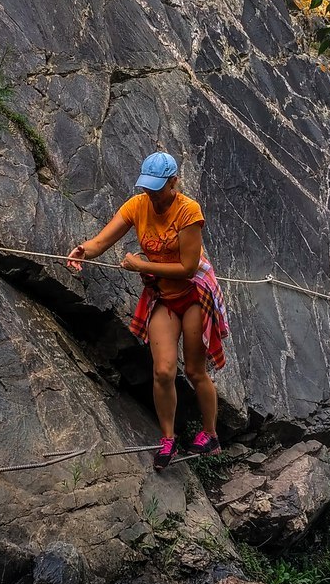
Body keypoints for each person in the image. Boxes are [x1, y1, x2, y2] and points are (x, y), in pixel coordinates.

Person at [66, 151, 230, 471]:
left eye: (158, 188)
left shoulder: (188, 212)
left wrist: (141, 264)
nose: (152, 194)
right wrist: (86, 250)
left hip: (194, 294)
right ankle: (167, 439)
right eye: (148, 188)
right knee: (163, 371)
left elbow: (186, 267)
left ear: (174, 183)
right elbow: (103, 241)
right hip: (162, 298)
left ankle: (210, 434)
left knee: (196, 371)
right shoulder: (138, 205)